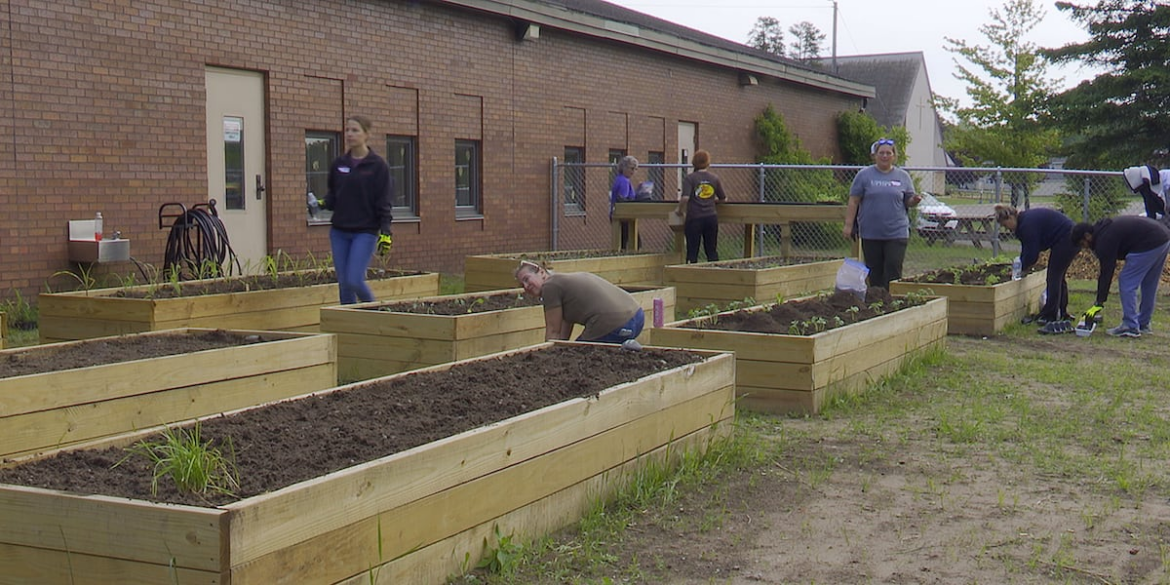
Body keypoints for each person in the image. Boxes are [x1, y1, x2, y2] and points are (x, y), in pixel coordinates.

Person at [319, 115, 394, 304]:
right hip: (339, 231)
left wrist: (386, 232)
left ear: (367, 134)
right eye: (348, 130)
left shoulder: (377, 166)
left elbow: (384, 202)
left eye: (355, 130)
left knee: (354, 280)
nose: (350, 134)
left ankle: (374, 312)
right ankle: (348, 328)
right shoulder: (339, 165)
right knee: (344, 284)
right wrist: (321, 203)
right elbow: (334, 196)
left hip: (365, 231)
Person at [1071, 215, 1170, 338]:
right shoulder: (1102, 230)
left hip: (1149, 242)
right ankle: (1143, 323)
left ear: (1087, 236)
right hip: (1162, 238)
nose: (1085, 248)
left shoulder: (1104, 240)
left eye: (1082, 244)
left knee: (1127, 281)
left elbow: (1107, 272)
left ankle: (1130, 326)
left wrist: (1099, 302)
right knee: (1149, 283)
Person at [843, 138, 921, 290]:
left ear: (894, 156)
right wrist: (848, 225)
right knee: (874, 272)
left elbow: (908, 200)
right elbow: (854, 201)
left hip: (897, 232)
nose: (885, 156)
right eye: (881, 153)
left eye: (888, 153)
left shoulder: (903, 176)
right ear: (875, 155)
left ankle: (893, 300)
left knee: (893, 268)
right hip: (871, 233)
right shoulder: (864, 175)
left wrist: (914, 200)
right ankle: (877, 302)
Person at [514, 261, 644, 344]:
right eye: (522, 284)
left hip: (614, 325)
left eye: (527, 279)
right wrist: (560, 349)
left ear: (541, 272)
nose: (526, 286)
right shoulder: (562, 283)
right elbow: (565, 327)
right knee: (576, 350)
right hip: (637, 317)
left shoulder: (550, 286)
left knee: (579, 356)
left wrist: (546, 359)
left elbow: (553, 331)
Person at [994, 204, 1079, 326]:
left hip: (1068, 238)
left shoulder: (1026, 225)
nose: (1006, 229)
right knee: (1058, 276)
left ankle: (1050, 315)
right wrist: (1022, 264)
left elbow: (1032, 254)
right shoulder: (1024, 222)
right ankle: (1061, 312)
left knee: (1054, 276)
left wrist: (1021, 269)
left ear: (1010, 217)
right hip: (1070, 237)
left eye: (1004, 225)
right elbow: (1027, 249)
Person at [675, 149, 727, 263]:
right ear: (708, 162)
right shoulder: (714, 178)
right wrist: (712, 201)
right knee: (711, 249)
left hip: (694, 217)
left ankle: (692, 273)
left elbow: (685, 198)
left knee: (692, 250)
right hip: (711, 217)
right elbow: (723, 198)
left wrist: (679, 210)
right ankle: (715, 273)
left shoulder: (690, 178)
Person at [610, 156, 639, 250]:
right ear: (624, 167)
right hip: (623, 216)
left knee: (623, 240)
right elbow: (622, 200)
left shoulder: (619, 179)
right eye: (631, 168)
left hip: (618, 214)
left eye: (635, 169)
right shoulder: (624, 181)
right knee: (634, 242)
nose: (633, 171)